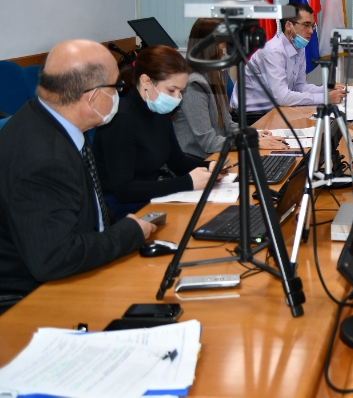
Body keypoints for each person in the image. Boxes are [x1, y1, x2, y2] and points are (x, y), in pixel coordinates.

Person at [0, 40, 155, 310]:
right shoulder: (47, 159)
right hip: (32, 298)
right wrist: (129, 233)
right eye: (116, 87)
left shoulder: (49, 120)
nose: (119, 95)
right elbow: (54, 258)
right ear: (93, 97)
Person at [94, 45, 220, 221]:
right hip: (123, 210)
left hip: (152, 199)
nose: (177, 98)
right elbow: (123, 190)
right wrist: (187, 182)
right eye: (172, 90)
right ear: (146, 81)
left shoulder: (158, 111)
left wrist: (211, 167)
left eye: (180, 91)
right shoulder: (121, 121)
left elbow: (176, 160)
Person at [173, 18, 288, 159]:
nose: (227, 48)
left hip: (220, 153)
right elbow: (209, 143)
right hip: (200, 161)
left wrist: (254, 134)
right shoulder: (194, 85)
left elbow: (228, 125)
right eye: (225, 43)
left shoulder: (215, 75)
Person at [230, 2, 345, 122]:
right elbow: (282, 97)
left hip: (273, 110)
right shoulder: (274, 51)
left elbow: (299, 86)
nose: (311, 31)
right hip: (250, 116)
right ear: (289, 26)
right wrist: (325, 98)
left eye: (312, 26)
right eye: (306, 25)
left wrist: (325, 90)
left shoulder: (299, 47)